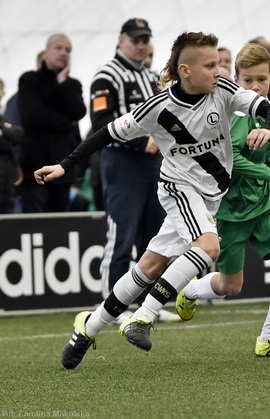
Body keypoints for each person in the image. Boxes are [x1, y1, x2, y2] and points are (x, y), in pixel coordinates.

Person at [34, 31, 270, 369]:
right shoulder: (157, 107)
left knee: (150, 265)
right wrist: (66, 166)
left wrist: (268, 128)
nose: (219, 70)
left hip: (210, 195)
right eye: (210, 65)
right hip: (178, 188)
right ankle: (144, 316)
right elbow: (105, 133)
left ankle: (87, 327)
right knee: (209, 247)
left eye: (219, 64)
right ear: (185, 70)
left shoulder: (224, 90)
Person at [176, 43, 270, 358]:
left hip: (264, 206)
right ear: (235, 78)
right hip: (228, 211)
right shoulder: (228, 111)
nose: (255, 86)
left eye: (261, 79)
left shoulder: (267, 112)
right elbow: (230, 161)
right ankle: (191, 290)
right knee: (230, 287)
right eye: (247, 80)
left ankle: (269, 338)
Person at [89, 18, 178, 323]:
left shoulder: (153, 77)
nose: (141, 45)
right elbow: (100, 125)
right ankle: (109, 306)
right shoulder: (106, 76)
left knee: (155, 236)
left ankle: (147, 305)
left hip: (155, 165)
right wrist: (141, 144)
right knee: (121, 236)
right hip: (122, 163)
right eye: (135, 39)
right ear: (121, 39)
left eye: (145, 40)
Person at [18, 33, 87, 213]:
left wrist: (63, 82)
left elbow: (79, 112)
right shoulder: (29, 80)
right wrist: (66, 123)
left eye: (68, 50)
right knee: (35, 219)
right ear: (46, 53)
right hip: (34, 166)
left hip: (63, 166)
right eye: (58, 48)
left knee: (60, 220)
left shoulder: (72, 85)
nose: (64, 53)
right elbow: (33, 115)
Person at [0, 110, 24, 213]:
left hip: (7, 181)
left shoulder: (3, 119)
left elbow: (19, 134)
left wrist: (3, 130)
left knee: (8, 211)